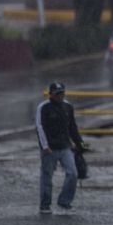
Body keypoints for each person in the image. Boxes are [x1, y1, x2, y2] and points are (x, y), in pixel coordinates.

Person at [35, 82, 85, 214]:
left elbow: (73, 127)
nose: (60, 96)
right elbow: (40, 127)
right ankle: (45, 204)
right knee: (47, 176)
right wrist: (45, 146)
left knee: (72, 173)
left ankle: (64, 202)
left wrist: (80, 144)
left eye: (62, 93)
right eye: (57, 94)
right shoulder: (43, 107)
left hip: (65, 147)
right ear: (51, 94)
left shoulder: (68, 107)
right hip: (49, 149)